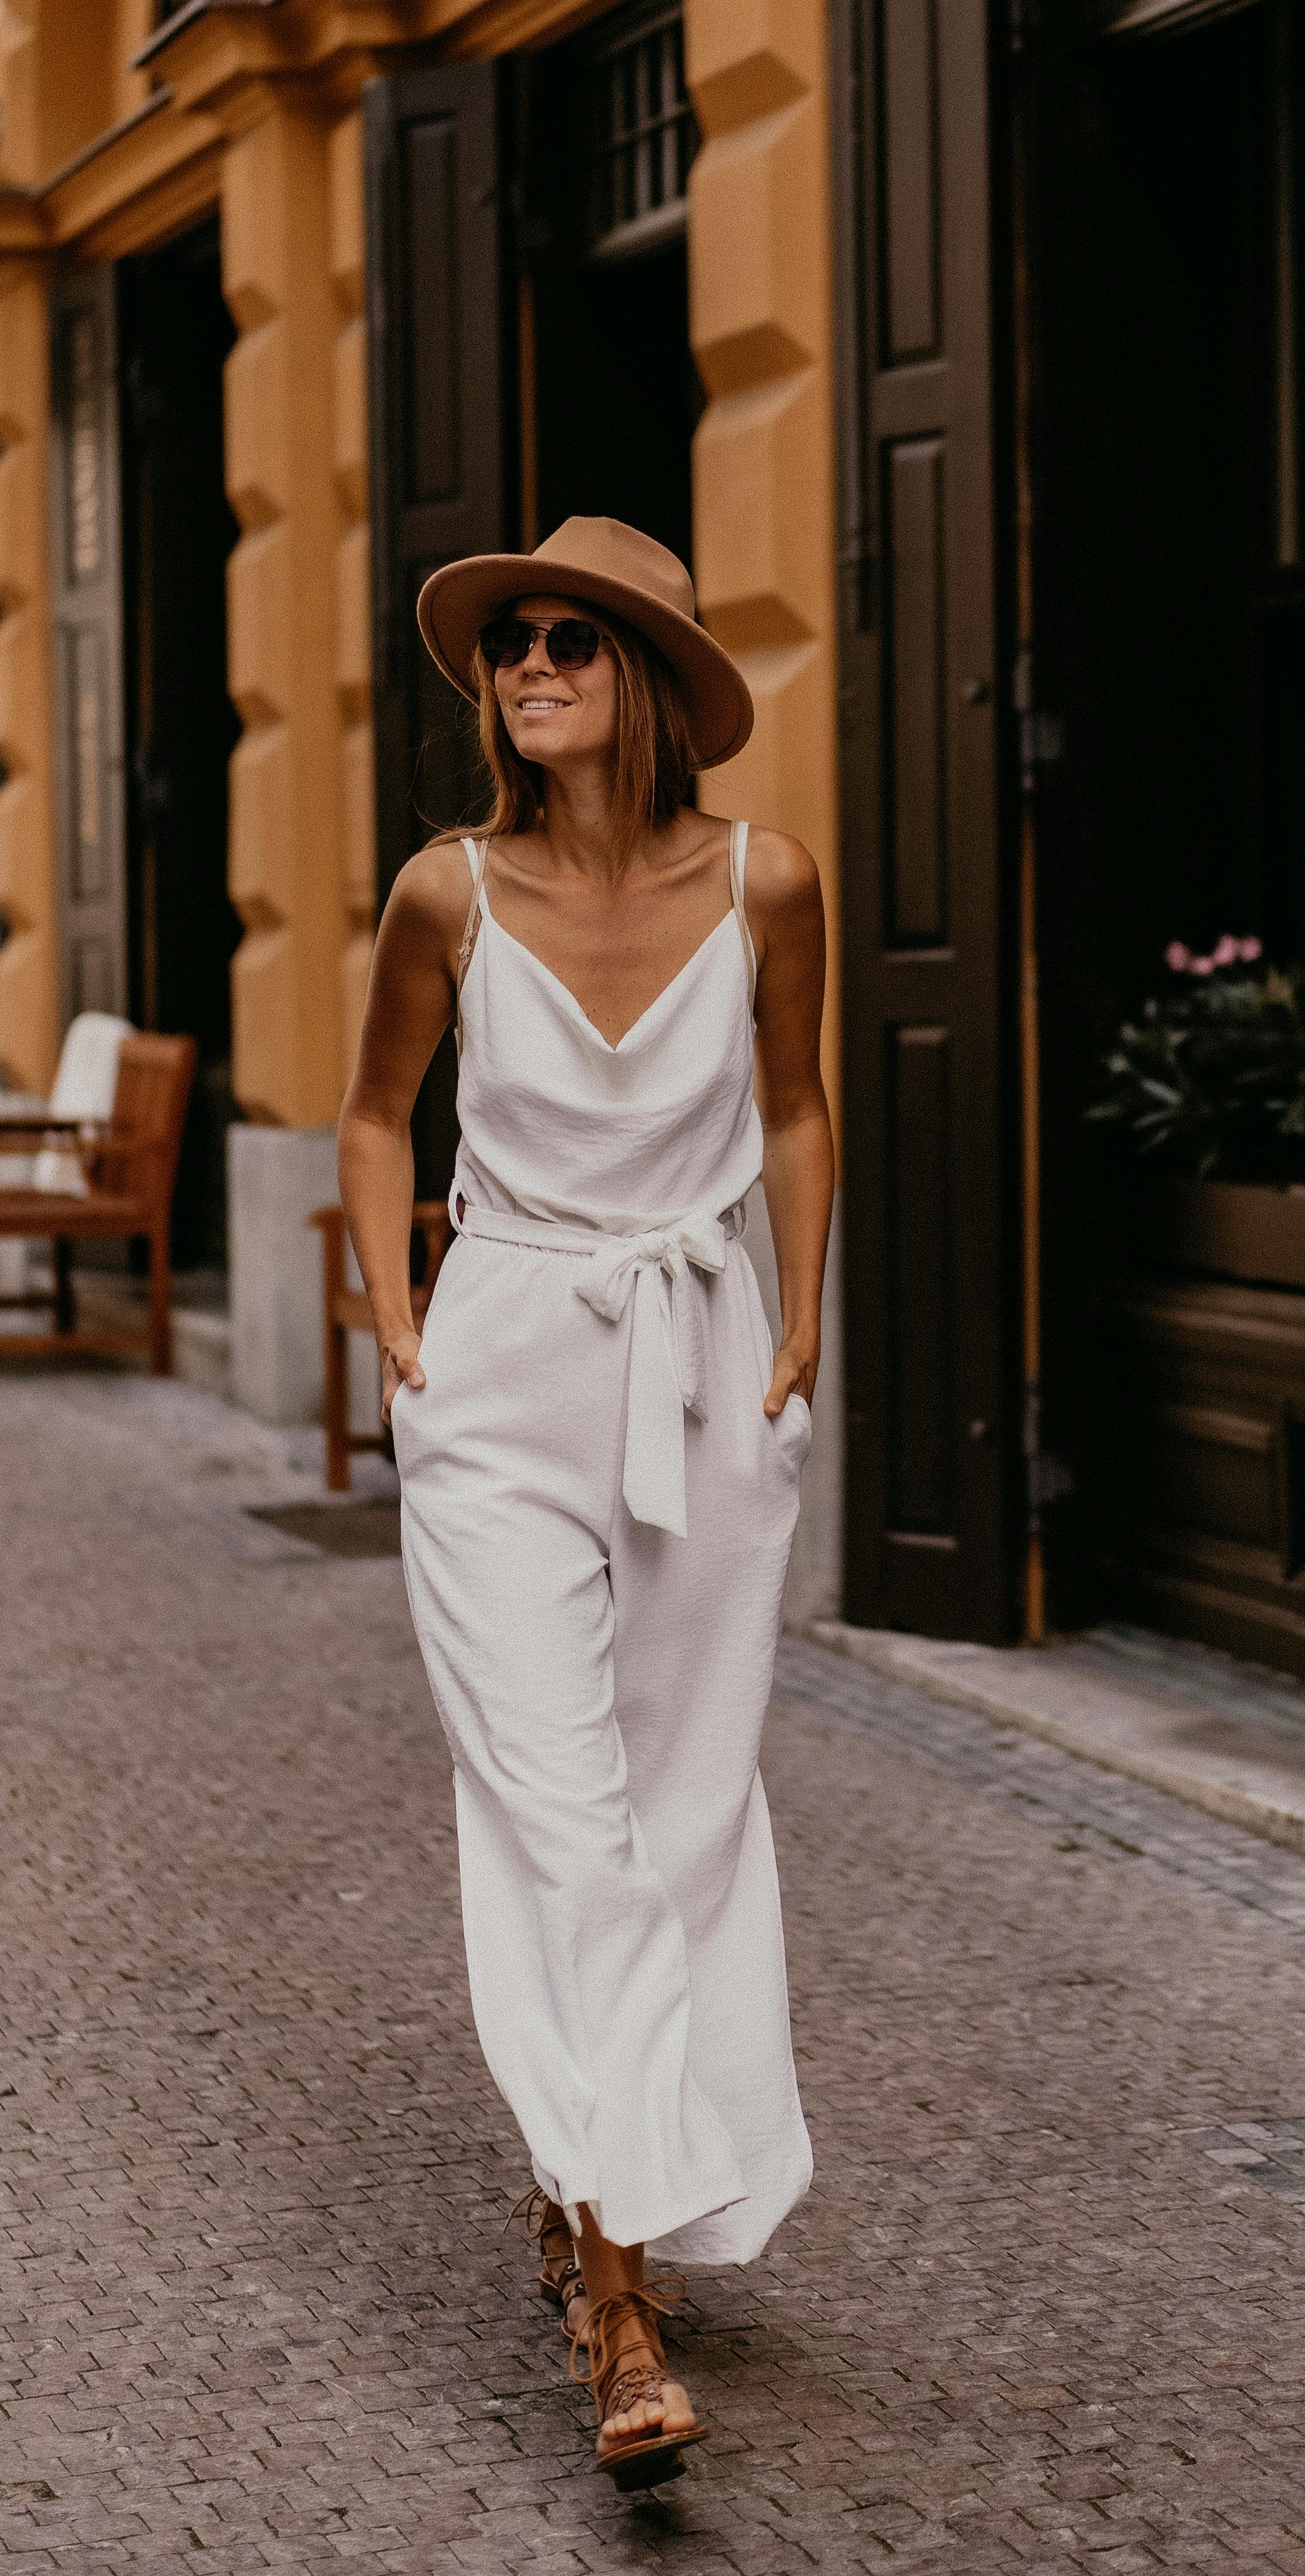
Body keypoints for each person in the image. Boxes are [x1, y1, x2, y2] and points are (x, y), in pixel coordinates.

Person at [337, 515, 831, 2492]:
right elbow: (377, 1117)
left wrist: (804, 1328)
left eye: (570, 639)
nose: (529, 666)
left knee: (686, 1815)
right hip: (509, 1370)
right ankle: (618, 2315)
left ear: (645, 678)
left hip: (708, 1365)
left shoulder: (767, 879)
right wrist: (402, 1330)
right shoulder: (443, 892)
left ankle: (591, 2188)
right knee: (564, 1817)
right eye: (509, 646)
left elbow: (793, 1106)